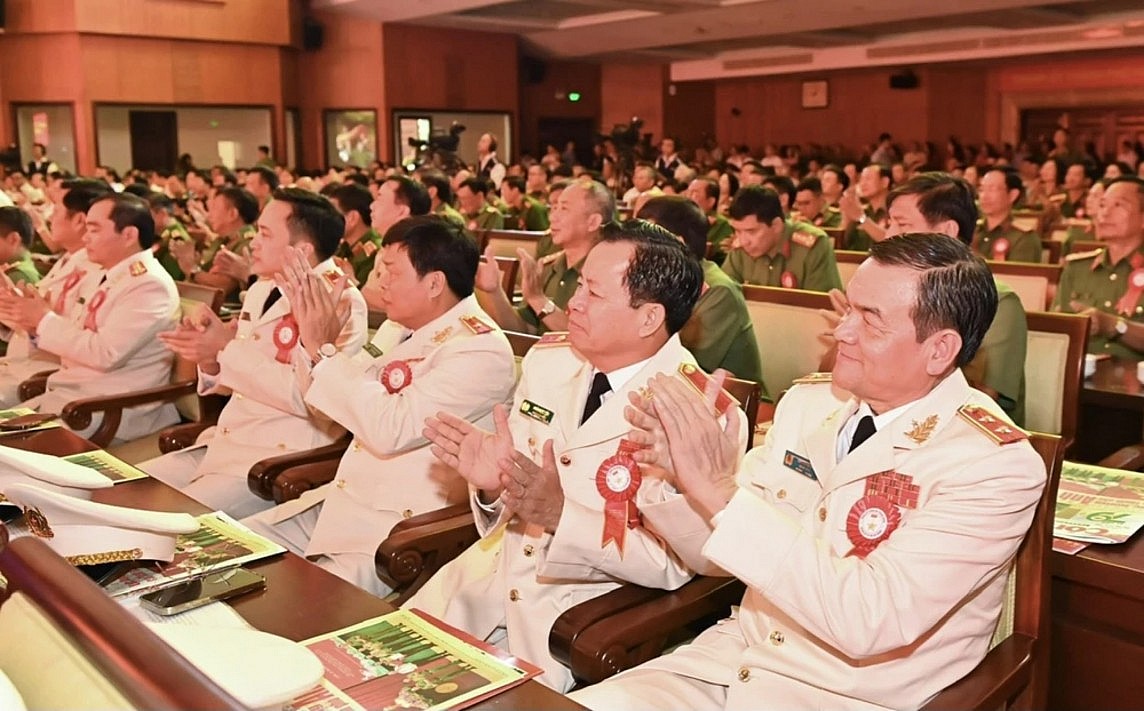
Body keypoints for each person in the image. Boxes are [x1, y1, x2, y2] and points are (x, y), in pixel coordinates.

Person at [571, 233, 1046, 711]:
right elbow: (714, 560)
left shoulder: (992, 463)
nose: (842, 333)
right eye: (848, 310)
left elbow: (869, 620)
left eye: (871, 321)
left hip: (844, 696)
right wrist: (679, 482)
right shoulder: (808, 404)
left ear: (940, 350)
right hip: (728, 666)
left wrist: (717, 490)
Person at [414, 220, 734, 692]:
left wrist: (564, 514)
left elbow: (672, 564)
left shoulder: (698, 413)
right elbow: (516, 498)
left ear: (648, 318)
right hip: (476, 586)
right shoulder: (551, 362)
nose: (572, 303)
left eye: (594, 293)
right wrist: (490, 485)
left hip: (571, 621)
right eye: (579, 284)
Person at [243, 215, 516, 595]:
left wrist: (324, 351)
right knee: (232, 547)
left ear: (435, 282)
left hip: (399, 529)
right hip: (342, 500)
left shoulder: (479, 348)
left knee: (288, 602)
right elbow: (329, 405)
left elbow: (390, 429)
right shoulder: (398, 326)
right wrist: (313, 345)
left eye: (391, 271)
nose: (379, 282)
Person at [145, 188, 369, 519]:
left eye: (264, 234)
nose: (253, 243)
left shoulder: (339, 302)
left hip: (277, 458)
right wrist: (208, 354)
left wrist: (225, 348)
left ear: (301, 250)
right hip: (226, 441)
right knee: (124, 490)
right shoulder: (264, 288)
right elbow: (237, 377)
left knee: (165, 521)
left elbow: (311, 399)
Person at [1, 193, 180, 442]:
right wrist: (29, 319)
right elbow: (74, 335)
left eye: (94, 230)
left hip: (106, 409)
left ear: (129, 235)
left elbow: (104, 353)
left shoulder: (149, 285)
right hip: (70, 396)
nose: (85, 238)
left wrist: (43, 320)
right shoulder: (112, 275)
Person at [872, 173, 1028, 425]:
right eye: (889, 223)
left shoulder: (998, 303)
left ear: (947, 232)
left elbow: (977, 400)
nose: (888, 236)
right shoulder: (888, 293)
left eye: (902, 225)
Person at [0, 180, 109, 405]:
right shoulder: (69, 262)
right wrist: (15, 309)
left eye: (56, 209)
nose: (49, 217)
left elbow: (78, 339)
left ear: (79, 220)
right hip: (23, 364)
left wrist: (32, 319)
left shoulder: (99, 272)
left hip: (47, 375)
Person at [637, 196, 762, 385]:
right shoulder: (655, 281)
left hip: (729, 402)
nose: (635, 247)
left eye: (645, 239)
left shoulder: (718, 291)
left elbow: (682, 361)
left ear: (676, 243)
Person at [474, 179, 611, 335]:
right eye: (554, 208)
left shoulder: (609, 274)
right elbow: (524, 331)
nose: (553, 217)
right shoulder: (547, 268)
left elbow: (591, 336)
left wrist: (539, 300)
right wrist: (494, 292)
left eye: (564, 209)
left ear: (592, 222)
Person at [1053, 176, 1144, 361]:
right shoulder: (1077, 268)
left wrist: (1114, 325)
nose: (1105, 213)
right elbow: (1056, 333)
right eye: (1102, 205)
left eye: (1118, 205)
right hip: (1078, 380)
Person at [721, 186, 842, 292]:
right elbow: (723, 296)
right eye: (737, 231)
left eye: (751, 231)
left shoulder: (814, 245)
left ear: (776, 225)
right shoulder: (740, 248)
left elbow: (822, 307)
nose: (743, 241)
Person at [360, 176, 431, 312]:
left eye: (379, 198)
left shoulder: (412, 252)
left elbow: (399, 306)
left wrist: (352, 286)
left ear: (402, 211)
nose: (372, 206)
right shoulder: (388, 245)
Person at [973, 166, 1042, 262]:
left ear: (1012, 195)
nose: (984, 196)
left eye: (992, 189)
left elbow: (1018, 275)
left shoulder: (1023, 238)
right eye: (981, 189)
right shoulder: (973, 231)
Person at [329, 182, 382, 286]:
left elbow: (362, 297)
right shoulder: (345, 247)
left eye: (332, 215)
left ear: (352, 217)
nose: (328, 221)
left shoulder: (373, 252)